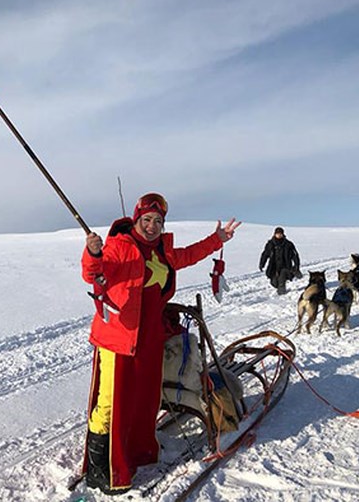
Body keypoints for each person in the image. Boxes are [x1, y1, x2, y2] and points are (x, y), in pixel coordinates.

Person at [80, 192, 240, 494]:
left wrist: (217, 239)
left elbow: (190, 254)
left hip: (149, 339)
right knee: (111, 404)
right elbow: (93, 273)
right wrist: (93, 253)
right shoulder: (118, 247)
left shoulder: (162, 253)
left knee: (143, 401)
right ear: (136, 219)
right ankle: (102, 471)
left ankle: (135, 454)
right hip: (120, 338)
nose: (152, 226)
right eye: (147, 220)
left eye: (158, 221)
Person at [258, 226, 302, 295]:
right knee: (274, 283)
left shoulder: (288, 244)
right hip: (274, 266)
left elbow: (295, 255)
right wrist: (262, 264)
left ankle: (281, 295)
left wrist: (297, 265)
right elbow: (265, 254)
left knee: (282, 279)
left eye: (280, 234)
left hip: (285, 266)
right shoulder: (270, 244)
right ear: (274, 234)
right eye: (277, 233)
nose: (279, 235)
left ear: (283, 234)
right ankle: (293, 272)